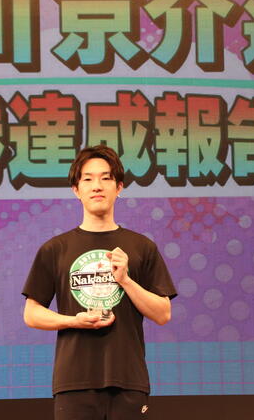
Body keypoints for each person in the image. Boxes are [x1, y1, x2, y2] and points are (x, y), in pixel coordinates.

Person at [22, 145, 177, 420]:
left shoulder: (142, 247)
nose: (97, 186)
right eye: (88, 179)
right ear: (76, 189)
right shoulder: (55, 249)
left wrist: (126, 280)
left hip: (128, 379)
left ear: (119, 188)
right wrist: (74, 321)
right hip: (74, 381)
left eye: (106, 178)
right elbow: (32, 314)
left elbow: (163, 314)